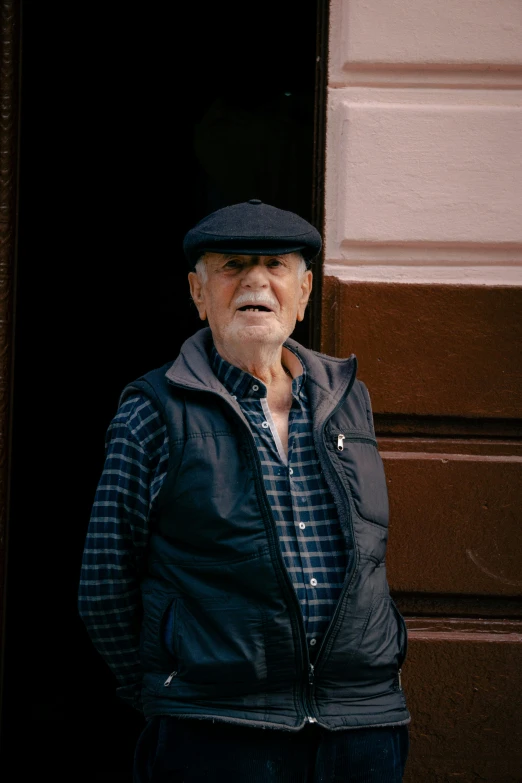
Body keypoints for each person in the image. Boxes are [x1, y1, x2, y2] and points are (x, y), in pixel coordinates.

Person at [78, 199, 410, 782]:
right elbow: (105, 582)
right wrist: (164, 690)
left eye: (275, 265)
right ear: (198, 293)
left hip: (361, 726)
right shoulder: (152, 411)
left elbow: (371, 558)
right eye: (232, 265)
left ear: (304, 293)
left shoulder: (348, 401)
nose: (256, 280)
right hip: (214, 729)